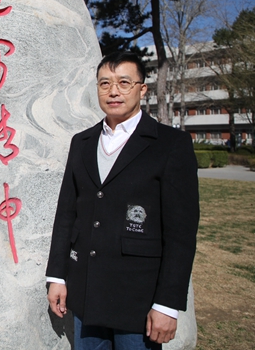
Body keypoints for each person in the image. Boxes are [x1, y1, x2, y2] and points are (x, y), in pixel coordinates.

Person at [46, 51, 200, 350]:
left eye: (124, 83)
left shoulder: (171, 144)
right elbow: (67, 213)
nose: (113, 91)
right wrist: (57, 275)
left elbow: (181, 233)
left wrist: (167, 304)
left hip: (138, 298)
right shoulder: (82, 142)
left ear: (142, 89)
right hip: (87, 291)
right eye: (105, 83)